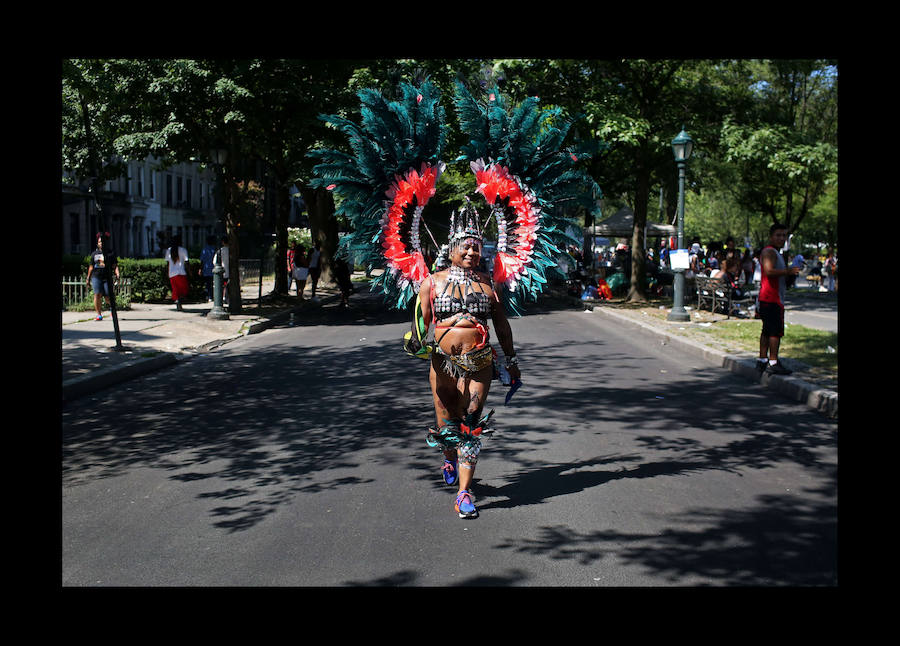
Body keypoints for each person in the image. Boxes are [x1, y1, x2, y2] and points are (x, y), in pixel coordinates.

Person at [407, 206, 521, 520]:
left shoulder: (489, 285)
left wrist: (510, 361)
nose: (472, 251)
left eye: (476, 246)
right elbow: (421, 323)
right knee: (447, 423)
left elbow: (502, 326)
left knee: (471, 423)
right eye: (465, 246)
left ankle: (464, 493)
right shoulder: (432, 282)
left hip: (480, 362)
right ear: (452, 250)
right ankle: (448, 457)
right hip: (443, 363)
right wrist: (415, 340)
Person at [756, 223, 801, 376]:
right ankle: (773, 361)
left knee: (767, 330)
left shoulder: (776, 252)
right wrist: (787, 271)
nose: (781, 238)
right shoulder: (769, 252)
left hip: (770, 297)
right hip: (771, 298)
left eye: (784, 235)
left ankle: (762, 360)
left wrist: (789, 275)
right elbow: (769, 271)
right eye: (778, 235)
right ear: (771, 236)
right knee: (775, 332)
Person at [85, 232, 119, 321]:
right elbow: (91, 266)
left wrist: (117, 274)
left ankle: (112, 310)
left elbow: (115, 266)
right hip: (96, 276)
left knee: (108, 296)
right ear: (97, 243)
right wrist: (88, 278)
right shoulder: (94, 254)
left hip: (107, 277)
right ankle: (99, 314)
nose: (101, 243)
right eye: (100, 242)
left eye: (103, 242)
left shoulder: (111, 253)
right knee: (97, 295)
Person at [165, 235, 190, 311]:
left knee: (175, 289)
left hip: (172, 273)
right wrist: (189, 271)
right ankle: (180, 301)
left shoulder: (169, 250)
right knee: (183, 289)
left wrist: (167, 272)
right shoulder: (183, 250)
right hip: (181, 272)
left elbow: (167, 263)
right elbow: (187, 262)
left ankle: (177, 301)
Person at [199, 235, 217, 302]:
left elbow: (202, 260)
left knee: (207, 284)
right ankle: (212, 296)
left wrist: (200, 269)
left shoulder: (205, 249)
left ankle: (209, 296)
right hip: (213, 269)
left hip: (206, 270)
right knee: (213, 284)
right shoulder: (215, 249)